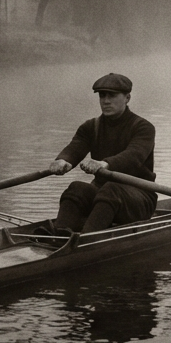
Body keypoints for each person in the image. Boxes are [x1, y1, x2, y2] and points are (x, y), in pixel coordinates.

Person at [46, 73, 157, 235]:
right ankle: (59, 234)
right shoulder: (90, 127)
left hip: (140, 197)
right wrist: (63, 160)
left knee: (111, 189)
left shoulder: (143, 127)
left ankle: (86, 240)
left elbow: (134, 156)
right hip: (104, 196)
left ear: (127, 98)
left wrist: (104, 163)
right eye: (102, 96)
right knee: (77, 187)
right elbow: (75, 148)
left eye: (112, 95)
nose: (105, 101)